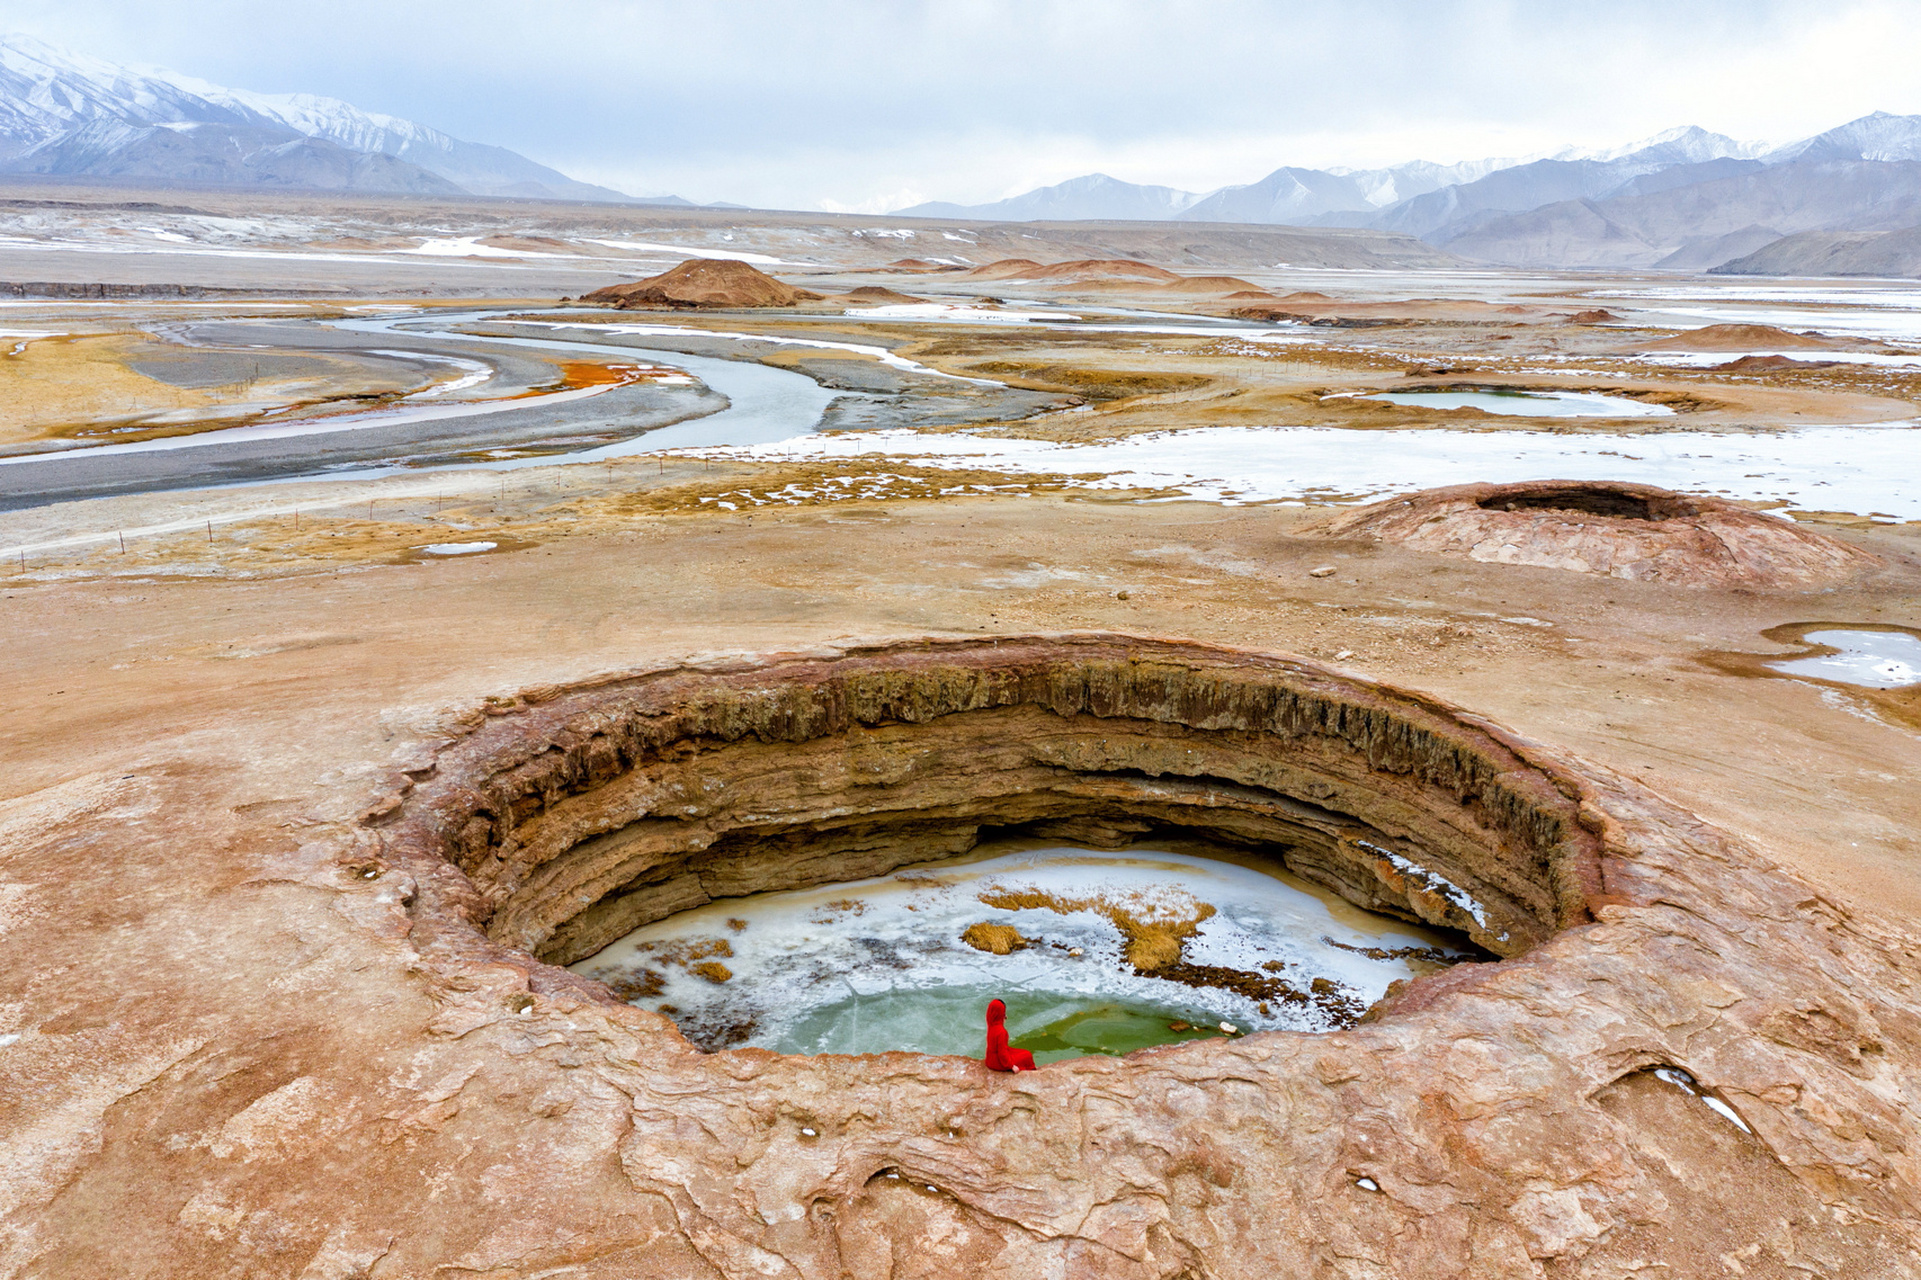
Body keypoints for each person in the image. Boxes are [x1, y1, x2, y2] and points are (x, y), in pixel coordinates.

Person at [983, 998, 1036, 1071]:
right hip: (997, 1063)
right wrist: (1011, 1066)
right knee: (1027, 1054)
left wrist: (1002, 1017)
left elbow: (993, 1015)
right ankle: (1031, 1070)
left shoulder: (991, 1024)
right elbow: (1002, 1054)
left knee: (1014, 1051)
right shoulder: (1001, 1032)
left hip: (989, 1059)